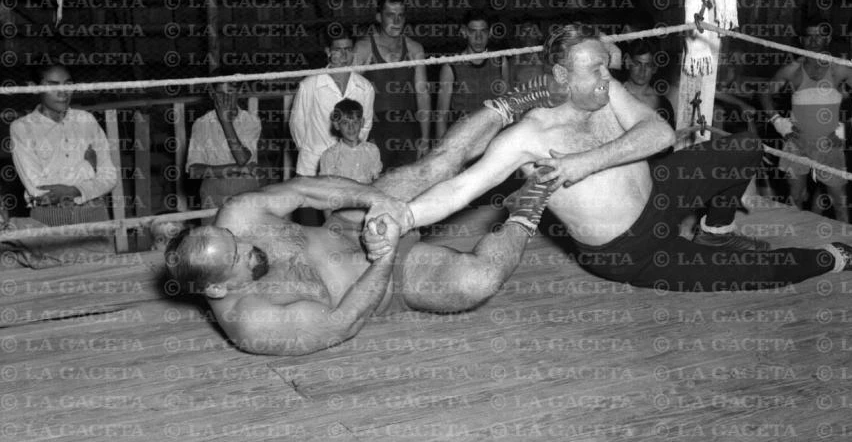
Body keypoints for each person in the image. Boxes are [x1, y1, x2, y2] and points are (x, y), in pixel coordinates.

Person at [370, 23, 852, 293]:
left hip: (663, 191)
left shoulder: (604, 91)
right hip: (628, 250)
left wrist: (586, 163)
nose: (607, 76)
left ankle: (716, 229)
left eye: (606, 66)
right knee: (751, 271)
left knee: (741, 147)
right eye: (594, 69)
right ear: (559, 76)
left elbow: (659, 133)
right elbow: (461, 187)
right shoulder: (525, 139)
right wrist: (407, 216)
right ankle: (838, 255)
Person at [164, 82, 563, 356]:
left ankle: (516, 100)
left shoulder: (237, 216)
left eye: (236, 240)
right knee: (479, 281)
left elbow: (306, 189)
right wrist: (386, 256)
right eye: (238, 258)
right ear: (217, 289)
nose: (248, 245)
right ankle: (533, 198)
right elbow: (342, 323)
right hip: (388, 279)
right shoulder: (252, 322)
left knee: (431, 169)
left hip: (349, 224)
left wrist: (375, 199)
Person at [760, 16, 852, 223]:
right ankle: (798, 245)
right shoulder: (793, 69)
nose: (814, 41)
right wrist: (779, 122)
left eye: (819, 36)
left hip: (830, 145)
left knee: (840, 204)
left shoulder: (840, 69)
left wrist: (846, 129)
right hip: (796, 143)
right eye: (809, 36)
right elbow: (764, 94)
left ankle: (847, 249)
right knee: (795, 198)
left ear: (828, 38)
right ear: (802, 40)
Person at [10, 64, 117, 228]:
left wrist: (74, 191)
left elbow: (109, 177)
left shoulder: (86, 120)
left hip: (94, 214)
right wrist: (89, 168)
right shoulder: (22, 128)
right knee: (51, 254)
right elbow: (39, 191)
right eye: (53, 86)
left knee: (101, 254)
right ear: (35, 88)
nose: (63, 93)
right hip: (48, 218)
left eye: (68, 85)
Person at [353, 0, 431, 169]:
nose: (396, 21)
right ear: (379, 17)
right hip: (374, 130)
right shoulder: (364, 48)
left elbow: (422, 95)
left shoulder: (414, 49)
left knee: (409, 186)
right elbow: (350, 95)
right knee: (375, 188)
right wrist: (353, 138)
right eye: (390, 15)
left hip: (408, 130)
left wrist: (425, 138)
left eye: (401, 15)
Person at [290, 27, 375, 177]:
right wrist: (310, 153)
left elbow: (365, 125)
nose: (344, 55)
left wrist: (351, 153)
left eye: (348, 49)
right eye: (338, 50)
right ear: (328, 51)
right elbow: (297, 124)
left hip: (349, 167)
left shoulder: (365, 87)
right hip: (311, 167)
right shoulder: (310, 84)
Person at [187, 81, 262, 212]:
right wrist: (238, 169)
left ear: (238, 92)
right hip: (213, 192)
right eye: (221, 93)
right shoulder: (201, 123)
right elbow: (194, 170)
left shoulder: (250, 121)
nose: (226, 98)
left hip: (245, 190)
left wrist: (225, 121)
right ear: (212, 94)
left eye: (231, 92)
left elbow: (242, 158)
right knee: (213, 232)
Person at [435, 10, 509, 142]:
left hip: (492, 138)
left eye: (483, 31)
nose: (478, 38)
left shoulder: (500, 62)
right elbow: (441, 115)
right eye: (473, 31)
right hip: (461, 139)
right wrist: (440, 152)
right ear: (464, 32)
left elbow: (508, 107)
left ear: (490, 32)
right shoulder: (451, 67)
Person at [317, 99, 382, 185]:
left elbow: (377, 181)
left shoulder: (372, 150)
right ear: (336, 125)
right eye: (345, 123)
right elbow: (326, 187)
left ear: (362, 122)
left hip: (367, 196)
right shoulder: (330, 155)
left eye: (355, 122)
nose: (351, 127)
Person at [622, 38, 674, 127]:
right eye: (637, 64)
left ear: (655, 68)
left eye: (648, 65)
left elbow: (668, 138)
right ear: (627, 63)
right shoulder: (614, 94)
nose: (642, 71)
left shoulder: (662, 104)